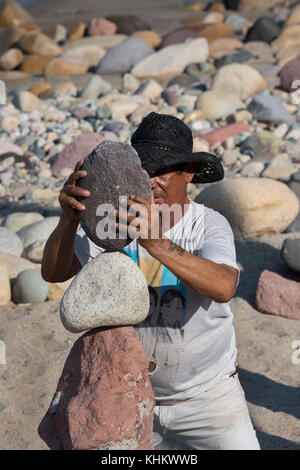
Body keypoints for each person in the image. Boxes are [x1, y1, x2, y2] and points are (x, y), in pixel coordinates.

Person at [41, 112, 260, 450]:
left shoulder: (207, 224)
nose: (150, 182)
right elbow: (53, 273)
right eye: (143, 171)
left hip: (208, 398)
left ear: (188, 173)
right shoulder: (112, 222)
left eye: (160, 172)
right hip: (129, 395)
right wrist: (68, 220)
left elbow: (224, 286)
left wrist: (157, 243)